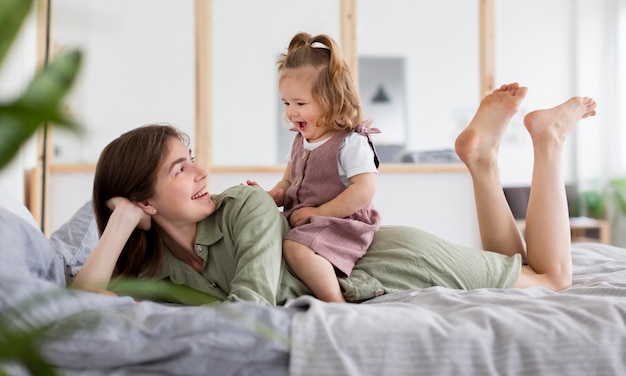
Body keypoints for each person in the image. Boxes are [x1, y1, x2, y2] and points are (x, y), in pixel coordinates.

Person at [71, 82, 597, 306]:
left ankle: (547, 140)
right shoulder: (161, 268)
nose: (203, 171)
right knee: (510, 265)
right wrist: (119, 223)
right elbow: (82, 299)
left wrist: (135, 214)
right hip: (362, 265)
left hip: (384, 263)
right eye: (181, 168)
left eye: (192, 159)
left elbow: (252, 306)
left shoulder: (247, 207)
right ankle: (480, 159)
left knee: (551, 281)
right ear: (145, 201)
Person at [246, 32, 381, 303]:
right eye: (286, 103)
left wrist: (319, 212)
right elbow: (288, 182)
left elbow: (364, 190)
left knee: (294, 248)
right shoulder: (300, 141)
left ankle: (336, 302)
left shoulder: (350, 142)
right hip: (304, 219)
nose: (290, 112)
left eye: (300, 103)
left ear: (333, 99)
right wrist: (273, 195)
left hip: (340, 222)